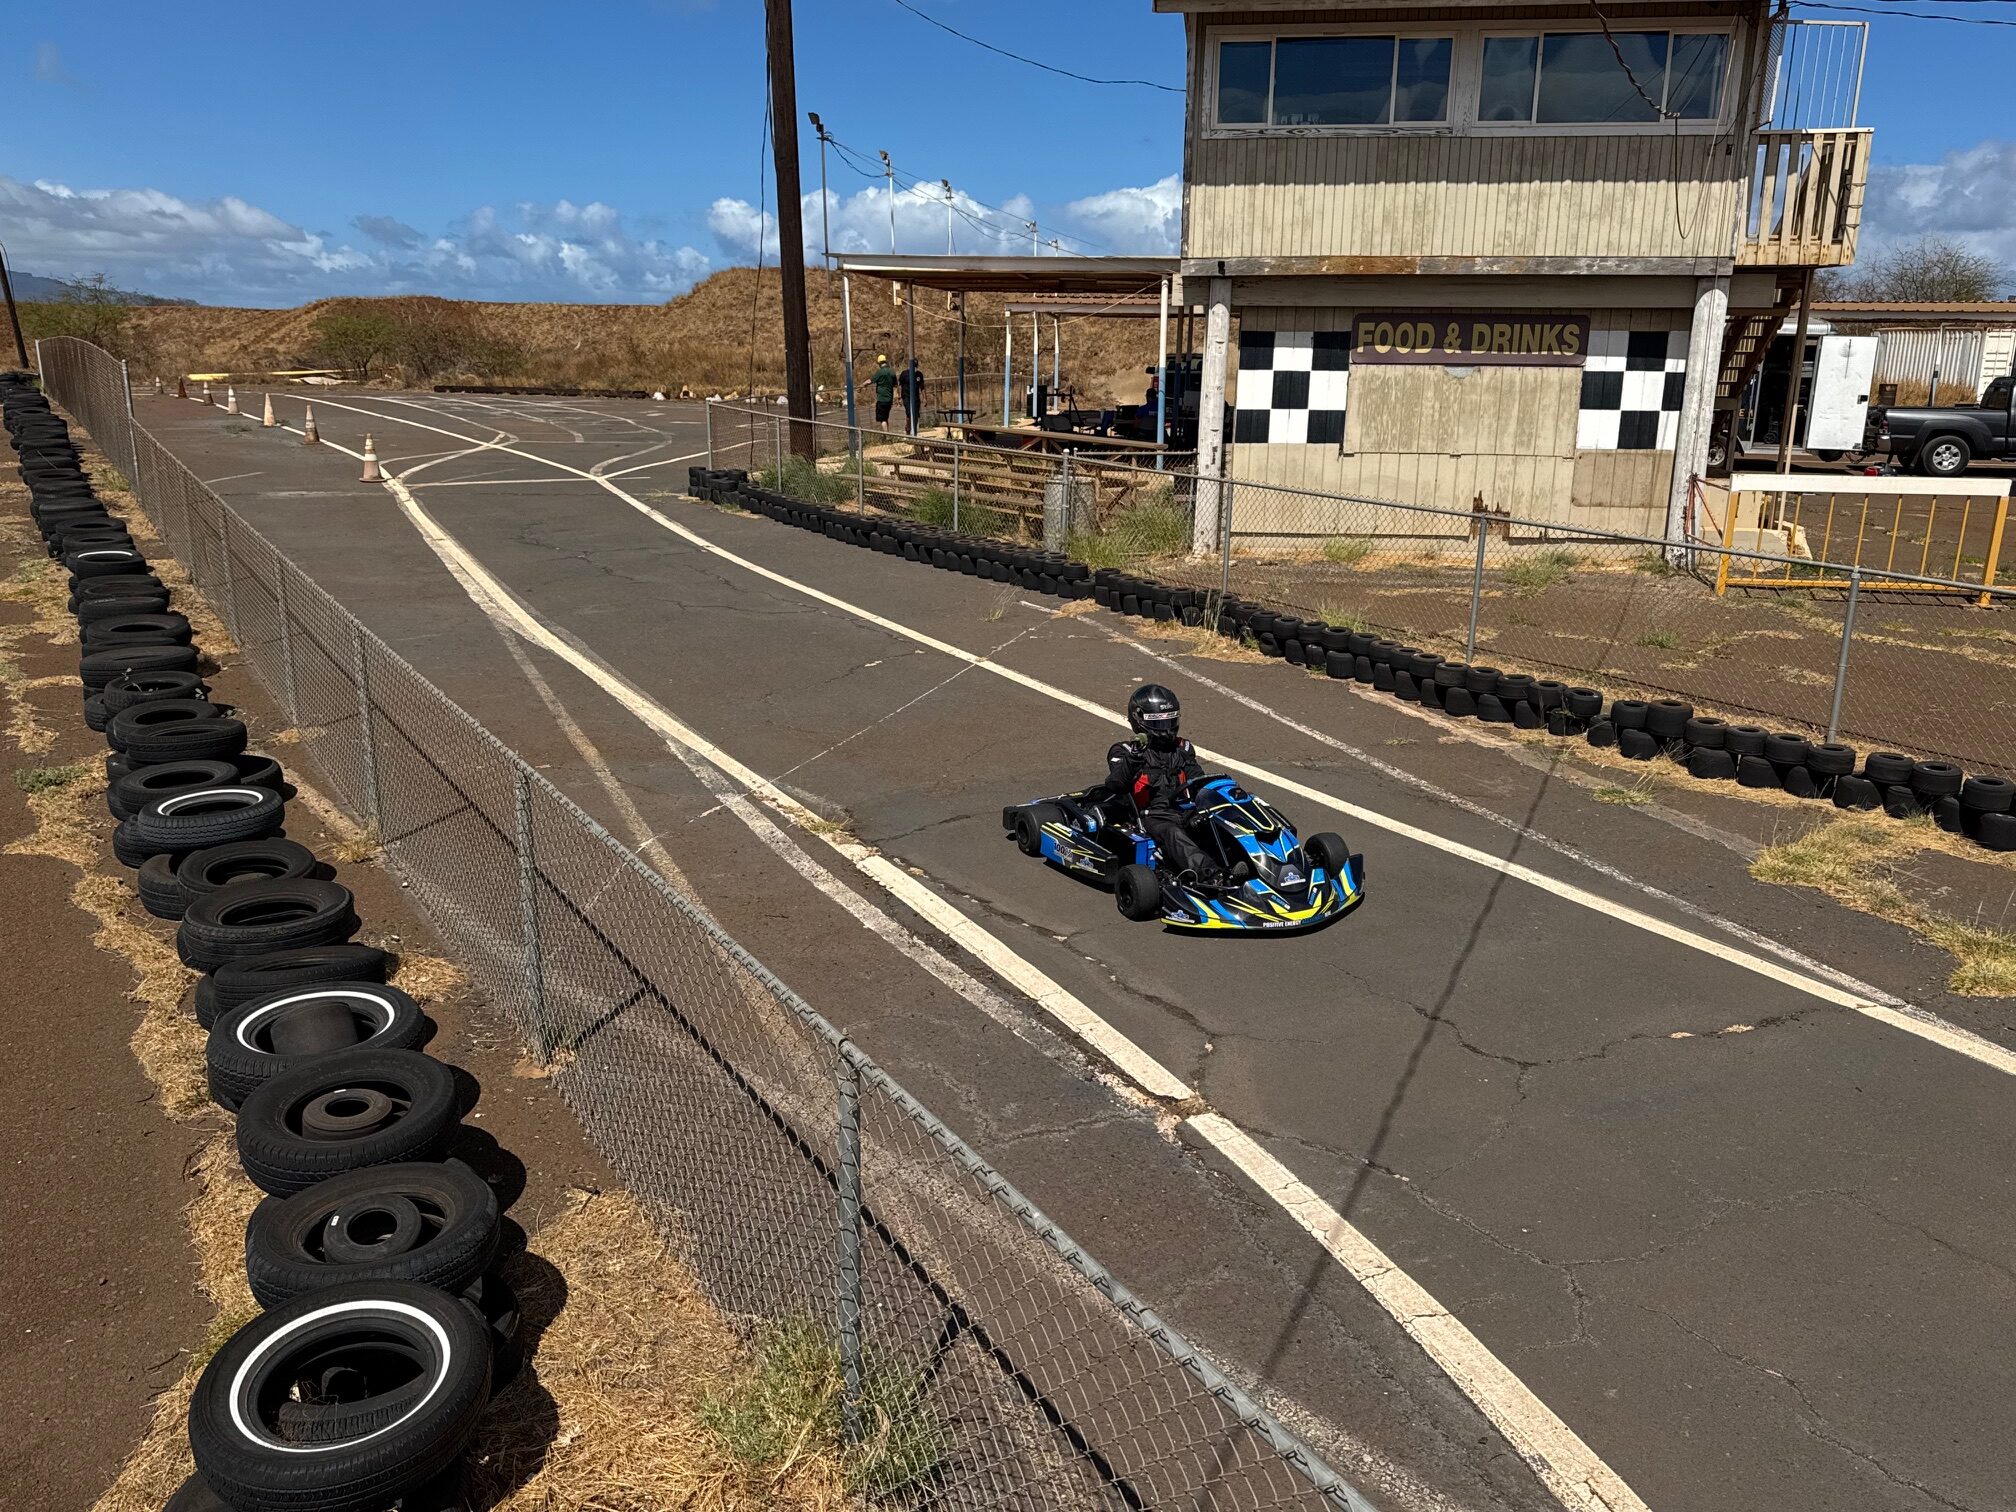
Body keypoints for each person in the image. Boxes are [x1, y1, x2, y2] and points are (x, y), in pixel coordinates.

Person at [1090, 684, 1219, 884]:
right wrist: (1135, 758)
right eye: (1160, 723)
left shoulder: (1182, 748)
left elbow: (1198, 781)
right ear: (1140, 722)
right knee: (1172, 832)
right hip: (1152, 816)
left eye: (1170, 721)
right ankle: (1210, 876)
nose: (1166, 729)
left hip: (1184, 811)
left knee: (1218, 820)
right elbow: (1115, 784)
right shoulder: (1124, 751)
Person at [899, 358, 925, 433]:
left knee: (916, 414)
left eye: (916, 366)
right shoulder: (904, 374)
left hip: (916, 397)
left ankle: (915, 431)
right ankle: (908, 429)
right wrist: (899, 397)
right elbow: (900, 386)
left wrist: (924, 398)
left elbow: (922, 387)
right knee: (909, 413)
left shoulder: (919, 374)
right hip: (906, 396)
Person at [871, 355, 897, 428]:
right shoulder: (892, 371)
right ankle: (887, 433)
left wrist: (862, 385)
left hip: (881, 399)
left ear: (879, 363)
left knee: (882, 419)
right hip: (889, 399)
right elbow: (895, 385)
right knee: (886, 417)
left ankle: (886, 434)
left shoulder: (880, 372)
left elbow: (871, 380)